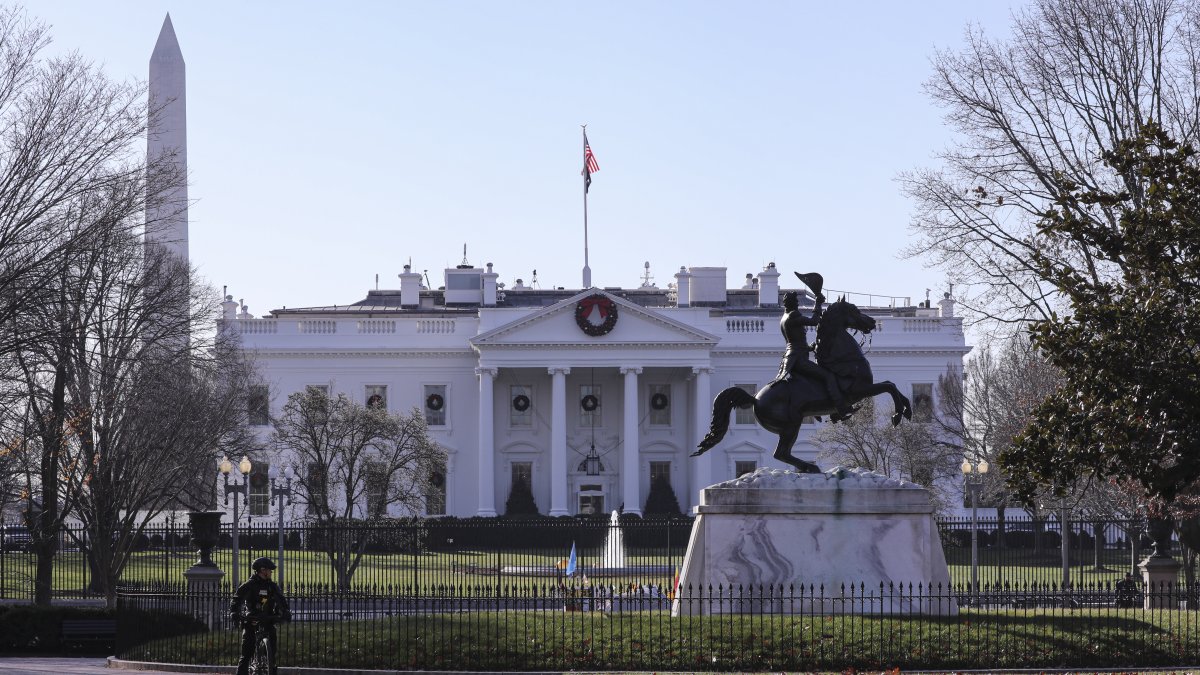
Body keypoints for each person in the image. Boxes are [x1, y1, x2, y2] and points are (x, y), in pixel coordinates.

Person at [775, 289, 853, 420]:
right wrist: (818, 303)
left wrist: (808, 347)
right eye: (796, 302)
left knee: (816, 379)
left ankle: (819, 408)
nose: (797, 304)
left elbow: (794, 341)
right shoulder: (793, 315)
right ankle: (840, 410)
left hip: (792, 357)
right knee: (828, 376)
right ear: (793, 303)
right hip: (798, 359)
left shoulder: (784, 317)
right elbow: (814, 321)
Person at [229, 557, 291, 675]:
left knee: (271, 653)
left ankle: (270, 667)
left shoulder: (272, 586)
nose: (271, 572)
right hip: (252, 620)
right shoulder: (250, 585)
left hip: (268, 619)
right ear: (262, 570)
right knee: (246, 654)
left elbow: (281, 600)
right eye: (269, 570)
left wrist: (286, 611)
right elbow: (237, 599)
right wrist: (234, 612)